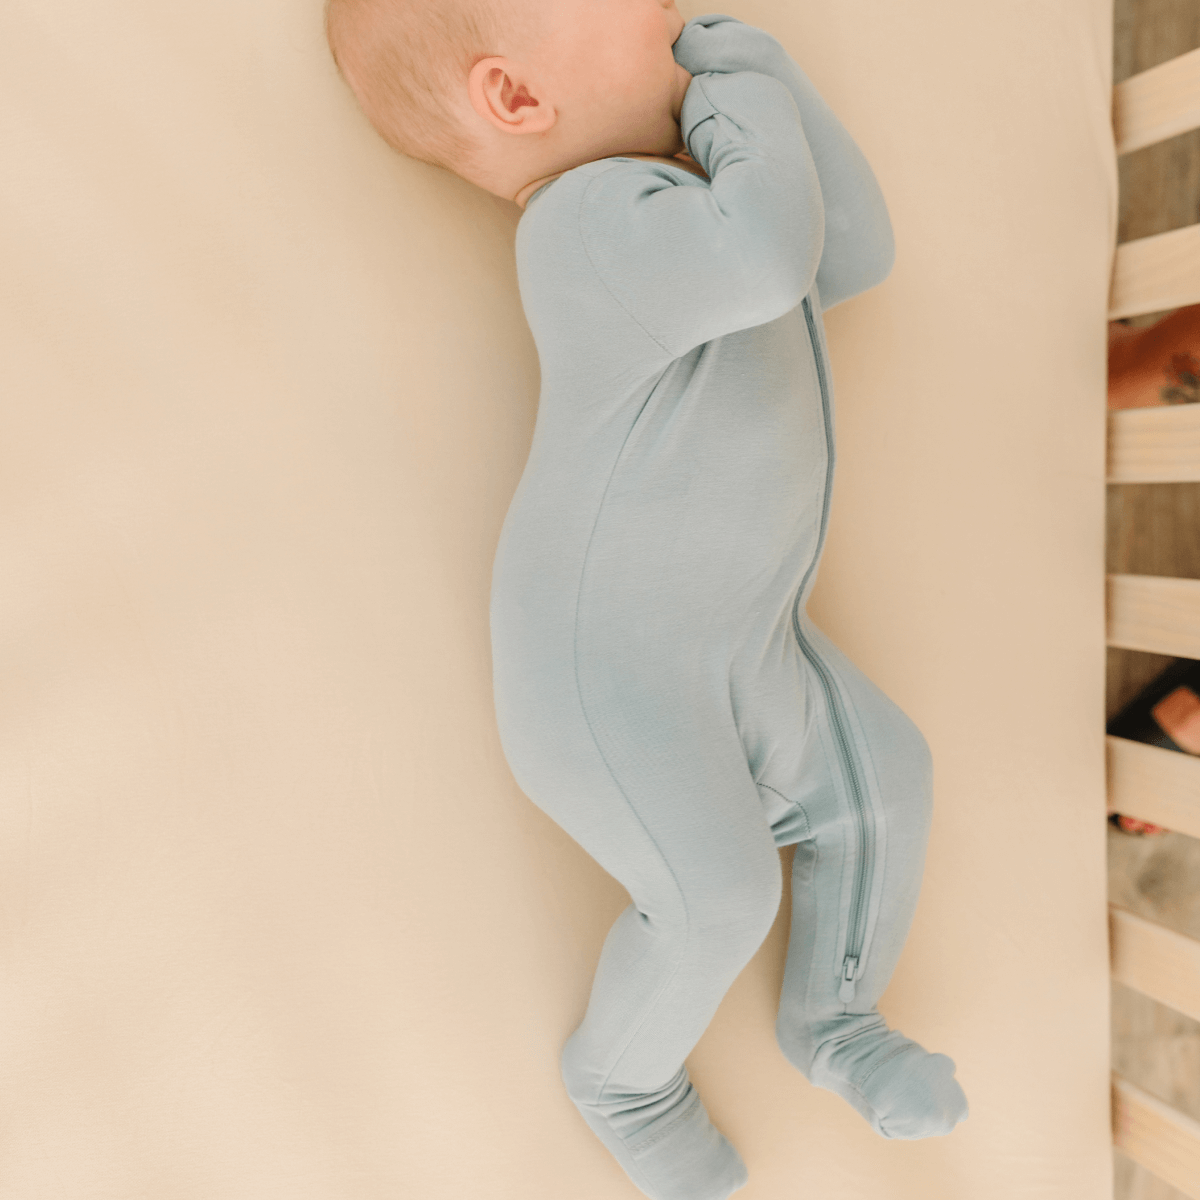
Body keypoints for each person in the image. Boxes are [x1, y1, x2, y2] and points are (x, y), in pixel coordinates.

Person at [325, 5, 969, 1198]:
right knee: (719, 895)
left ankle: (834, 1020)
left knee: (887, 779)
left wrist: (768, 71)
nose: (673, 9)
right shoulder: (584, 228)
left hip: (753, 644)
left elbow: (848, 254)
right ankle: (622, 1079)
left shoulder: (696, 203)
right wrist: (738, 96)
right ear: (518, 99)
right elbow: (771, 255)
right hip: (611, 674)